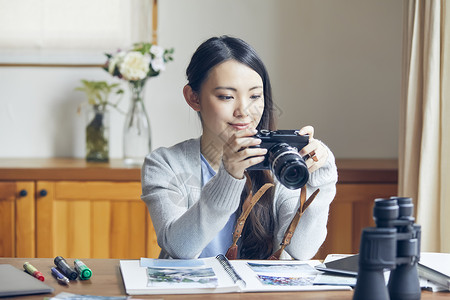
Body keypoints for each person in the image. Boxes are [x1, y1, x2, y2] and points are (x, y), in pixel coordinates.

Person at [141, 35, 338, 260]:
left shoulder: (279, 163)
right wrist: (230, 176)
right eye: (226, 96)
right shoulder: (165, 164)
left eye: (255, 95)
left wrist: (321, 180)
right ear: (193, 98)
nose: (244, 110)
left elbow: (300, 251)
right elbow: (179, 248)